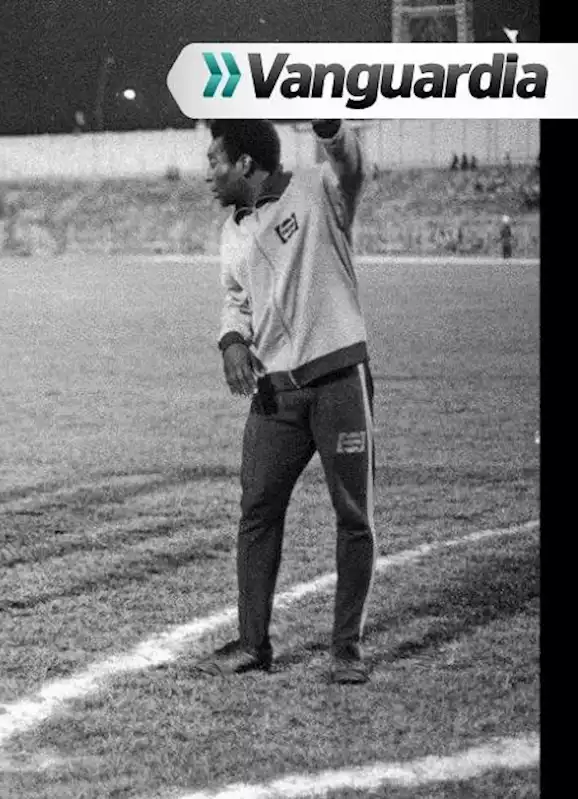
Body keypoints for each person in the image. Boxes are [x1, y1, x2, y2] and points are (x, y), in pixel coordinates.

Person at [194, 119, 376, 685]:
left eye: (215, 162)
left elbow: (351, 164)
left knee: (353, 517)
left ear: (246, 163)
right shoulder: (233, 230)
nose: (208, 175)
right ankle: (253, 644)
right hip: (276, 390)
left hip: (339, 379)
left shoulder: (317, 189)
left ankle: (346, 650)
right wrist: (230, 341)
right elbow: (235, 300)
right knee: (257, 512)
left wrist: (329, 128)